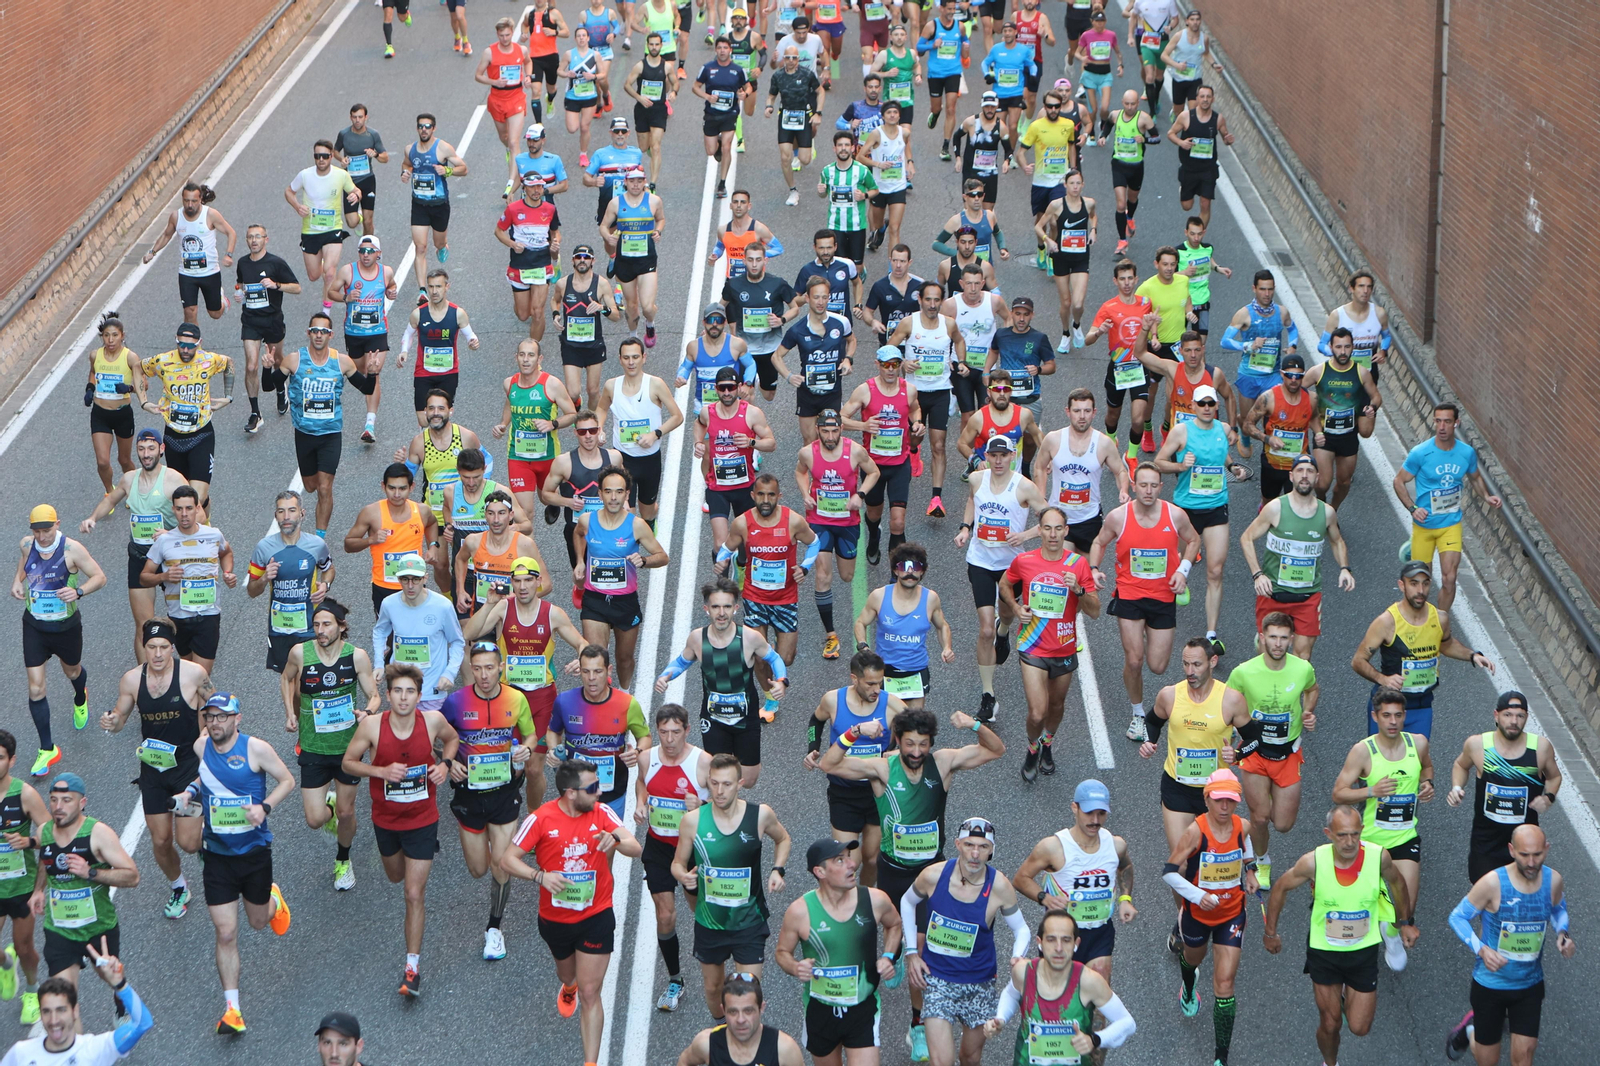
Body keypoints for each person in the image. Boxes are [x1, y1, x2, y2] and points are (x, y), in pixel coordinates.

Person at [173, 693, 294, 1034]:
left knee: (257, 922)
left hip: (254, 853)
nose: (215, 723)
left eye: (222, 717)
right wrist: (189, 794)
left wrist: (264, 808)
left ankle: (274, 901)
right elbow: (204, 779)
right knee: (226, 932)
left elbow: (287, 781)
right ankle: (232, 1009)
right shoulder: (201, 748)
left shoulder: (256, 749)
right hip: (217, 856)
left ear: (237, 719)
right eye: (210, 717)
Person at [501, 759, 640, 1055]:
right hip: (556, 919)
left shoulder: (601, 813)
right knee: (568, 975)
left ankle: (590, 1062)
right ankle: (568, 988)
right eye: (592, 788)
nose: (600, 792)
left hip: (596, 914)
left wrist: (614, 838)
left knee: (591, 993)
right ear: (570, 793)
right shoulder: (541, 819)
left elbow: (635, 848)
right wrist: (540, 876)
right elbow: (507, 860)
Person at [1262, 805, 1419, 1066]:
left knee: (1359, 1027)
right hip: (1325, 952)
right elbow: (1280, 888)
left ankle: (1346, 995)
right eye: (1342, 835)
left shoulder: (1379, 857)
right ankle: (1330, 1063)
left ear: (1362, 832)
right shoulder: (1313, 861)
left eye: (1355, 834)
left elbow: (1398, 883)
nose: (1349, 842)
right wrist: (1271, 932)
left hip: (1363, 951)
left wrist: (1404, 922)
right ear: (1328, 833)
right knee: (1330, 1022)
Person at [338, 669, 451, 987]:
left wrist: (445, 764)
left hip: (423, 818)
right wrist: (381, 771)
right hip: (386, 820)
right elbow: (348, 763)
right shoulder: (372, 725)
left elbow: (452, 740)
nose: (404, 697)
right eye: (398, 691)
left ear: (419, 695)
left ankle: (411, 968)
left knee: (413, 893)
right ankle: (415, 855)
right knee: (395, 875)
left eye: (410, 691)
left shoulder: (431, 722)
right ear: (388, 695)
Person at [670, 753, 792, 1020]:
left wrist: (777, 870)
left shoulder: (760, 816)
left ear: (740, 783)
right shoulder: (692, 821)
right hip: (710, 923)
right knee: (713, 988)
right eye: (714, 784)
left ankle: (743, 1045)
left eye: (727, 784)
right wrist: (683, 876)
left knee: (748, 990)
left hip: (749, 920)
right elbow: (677, 863)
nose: (720, 791)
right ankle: (722, 1030)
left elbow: (783, 839)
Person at [897, 817, 1027, 1066]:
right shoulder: (934, 875)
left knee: (969, 1057)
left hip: (979, 982)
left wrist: (1017, 958)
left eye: (983, 847)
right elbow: (907, 901)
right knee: (942, 1061)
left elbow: (1021, 929)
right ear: (958, 844)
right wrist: (912, 952)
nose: (975, 854)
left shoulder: (999, 886)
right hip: (938, 980)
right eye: (969, 845)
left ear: (992, 851)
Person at [439, 641, 540, 963]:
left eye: (489, 668)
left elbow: (531, 736)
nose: (484, 675)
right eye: (477, 668)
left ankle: (494, 928)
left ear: (501, 668)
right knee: (478, 869)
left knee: (500, 864)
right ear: (471, 668)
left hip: (504, 793)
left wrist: (525, 748)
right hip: (468, 795)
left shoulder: (516, 698)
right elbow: (433, 737)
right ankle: (480, 843)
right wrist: (446, 762)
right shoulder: (455, 702)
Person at [1444, 824, 1574, 1065]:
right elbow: (1457, 917)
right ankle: (1471, 1031)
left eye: (1538, 854)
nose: (1532, 862)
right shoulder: (1492, 883)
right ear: (1512, 850)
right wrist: (1481, 948)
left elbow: (1558, 909)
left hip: (1529, 984)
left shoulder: (1553, 880)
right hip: (1490, 985)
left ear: (1547, 849)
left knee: (1524, 1058)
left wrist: (1562, 933)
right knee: (1487, 1061)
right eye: (1525, 855)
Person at [463, 557, 585, 809]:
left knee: (532, 768)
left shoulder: (553, 614)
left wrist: (581, 660)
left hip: (541, 700)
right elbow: (469, 634)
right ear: (511, 583)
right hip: (508, 697)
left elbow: (582, 643)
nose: (522, 587)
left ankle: (532, 817)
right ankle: (501, 814)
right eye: (517, 581)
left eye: (528, 580)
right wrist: (488, 604)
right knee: (505, 760)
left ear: (538, 581)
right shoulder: (503, 608)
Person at [1088, 464, 1199, 743]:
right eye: (1143, 485)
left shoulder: (1174, 515)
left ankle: (1150, 635)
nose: (1148, 491)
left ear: (1161, 488)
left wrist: (1182, 571)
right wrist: (1093, 569)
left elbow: (1194, 540)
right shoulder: (1119, 517)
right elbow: (1099, 542)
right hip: (1130, 595)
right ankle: (1138, 714)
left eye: (1154, 486)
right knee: (1134, 659)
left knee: (1158, 666)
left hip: (1163, 598)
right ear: (1134, 486)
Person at [1331, 686, 1434, 972]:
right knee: (1363, 902)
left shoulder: (1418, 744)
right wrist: (1371, 791)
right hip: (1372, 839)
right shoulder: (1363, 751)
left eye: (1398, 716)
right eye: (1386, 715)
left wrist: (1428, 785)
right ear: (1375, 717)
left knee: (1407, 906)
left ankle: (1391, 933)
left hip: (1405, 836)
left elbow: (1427, 768)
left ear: (1404, 717)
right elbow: (1338, 793)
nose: (1392, 721)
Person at [775, 838, 903, 1066]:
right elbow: (782, 952)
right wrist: (796, 967)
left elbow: (894, 924)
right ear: (820, 872)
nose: (852, 865)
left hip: (862, 1008)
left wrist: (888, 955)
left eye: (849, 858)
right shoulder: (800, 911)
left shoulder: (875, 900)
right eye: (840, 860)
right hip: (820, 1010)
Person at [281, 601, 380, 891]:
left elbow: (373, 696)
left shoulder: (356, 657)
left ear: (341, 626)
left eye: (326, 624)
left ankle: (343, 860)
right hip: (313, 746)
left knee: (347, 814)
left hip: (348, 747)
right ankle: (330, 804)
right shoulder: (301, 653)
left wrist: (368, 713)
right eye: (316, 625)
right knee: (314, 819)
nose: (321, 631)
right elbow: (286, 679)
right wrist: (290, 712)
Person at [1161, 768, 1257, 1066]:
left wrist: (1250, 869)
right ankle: (1189, 986)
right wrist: (1196, 895)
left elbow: (1246, 844)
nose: (1225, 807)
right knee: (1192, 959)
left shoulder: (1242, 825)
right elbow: (1168, 873)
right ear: (1207, 800)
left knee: (1225, 985)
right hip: (1197, 915)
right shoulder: (1195, 832)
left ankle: (1221, 1057)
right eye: (1219, 801)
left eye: (1230, 800)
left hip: (1232, 914)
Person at [1001, 507, 1101, 780]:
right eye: (1047, 528)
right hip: (1032, 645)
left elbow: (1094, 611)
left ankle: (1047, 745)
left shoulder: (1078, 565)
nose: (1053, 534)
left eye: (1058, 528)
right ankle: (1033, 748)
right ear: (1040, 531)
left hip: (1064, 647)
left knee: (1056, 706)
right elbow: (1004, 584)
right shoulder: (1025, 561)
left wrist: (1078, 590)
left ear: (1066, 531)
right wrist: (1015, 606)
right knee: (1037, 712)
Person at [657, 578, 788, 785]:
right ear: (706, 608)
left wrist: (782, 681)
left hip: (746, 718)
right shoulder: (697, 639)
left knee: (749, 780)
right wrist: (665, 675)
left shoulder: (750, 638)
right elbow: (682, 661)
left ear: (735, 608)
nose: (721, 613)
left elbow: (774, 658)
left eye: (727, 606)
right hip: (714, 718)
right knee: (719, 777)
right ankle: (727, 809)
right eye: (715, 606)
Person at [1222, 613, 1318, 891]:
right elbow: (1226, 705)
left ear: (1292, 640)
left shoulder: (1302, 669)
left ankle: (1260, 847)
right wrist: (1229, 739)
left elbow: (1312, 690)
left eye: (1283, 638)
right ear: (1262, 638)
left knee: (1284, 824)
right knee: (1261, 816)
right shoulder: (1243, 672)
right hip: (1254, 753)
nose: (1277, 644)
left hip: (1288, 754)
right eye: (1272, 637)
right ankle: (1261, 860)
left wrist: (1309, 711)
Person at [956, 434, 1048, 722]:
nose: (997, 461)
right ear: (988, 456)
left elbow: (1051, 518)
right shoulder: (977, 479)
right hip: (980, 561)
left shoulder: (1024, 487)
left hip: (1011, 565)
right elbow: (972, 500)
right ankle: (988, 696)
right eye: (993, 455)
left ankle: (1004, 629)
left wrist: (1025, 535)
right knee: (984, 630)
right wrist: (965, 527)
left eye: (1003, 456)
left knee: (1007, 613)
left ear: (1012, 457)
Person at [1351, 560, 1495, 738]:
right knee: (1381, 763)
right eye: (1414, 584)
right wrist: (1382, 679)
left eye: (1425, 584)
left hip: (1421, 705)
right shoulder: (1387, 622)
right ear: (1401, 585)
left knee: (1417, 762)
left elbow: (1446, 644)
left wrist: (1472, 656)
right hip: (1389, 707)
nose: (1420, 590)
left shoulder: (1440, 618)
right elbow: (1358, 660)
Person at [712, 477, 817, 721]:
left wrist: (805, 567)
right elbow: (728, 546)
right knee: (758, 655)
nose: (766, 500)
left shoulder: (793, 521)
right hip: (754, 597)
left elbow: (814, 543)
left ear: (779, 496)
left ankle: (777, 680)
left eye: (771, 495)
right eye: (761, 495)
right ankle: (770, 697)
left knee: (786, 658)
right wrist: (722, 560)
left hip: (785, 598)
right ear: (753, 495)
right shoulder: (742, 523)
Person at [1011, 779, 1137, 980]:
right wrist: (1044, 898)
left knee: (1098, 999)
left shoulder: (1116, 845)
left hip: (1099, 931)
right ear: (1074, 808)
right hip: (1060, 933)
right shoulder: (1053, 847)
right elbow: (1021, 878)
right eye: (1089, 813)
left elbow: (1125, 867)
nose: (1095, 820)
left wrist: (1125, 900)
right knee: (1059, 1000)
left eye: (1101, 814)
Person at [1139, 637, 1252, 858]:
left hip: (1216, 791)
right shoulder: (1169, 695)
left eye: (1197, 665)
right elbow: (1152, 721)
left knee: (1214, 857)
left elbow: (1254, 739)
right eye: (1185, 664)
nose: (1190, 671)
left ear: (1213, 661)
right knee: (1180, 862)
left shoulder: (1231, 700)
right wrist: (1149, 742)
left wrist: (1237, 754)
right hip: (1177, 787)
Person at [79, 432, 187, 664]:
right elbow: (110, 499)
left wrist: (171, 533)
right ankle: (146, 676)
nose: (145, 454)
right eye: (141, 449)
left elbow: (195, 515)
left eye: (150, 448)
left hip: (171, 558)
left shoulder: (174, 480)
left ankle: (186, 671)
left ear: (161, 449)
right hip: (140, 556)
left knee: (183, 621)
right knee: (144, 625)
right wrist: (93, 518)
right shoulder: (129, 479)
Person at [15, 507, 105, 777]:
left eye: (47, 530)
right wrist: (17, 581)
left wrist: (78, 591)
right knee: (36, 688)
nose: (42, 537)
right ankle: (47, 749)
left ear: (58, 524)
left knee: (72, 670)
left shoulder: (72, 550)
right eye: (37, 531)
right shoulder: (26, 544)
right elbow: (24, 562)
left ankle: (80, 696)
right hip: (34, 625)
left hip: (65, 627)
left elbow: (100, 577)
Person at [1153, 381, 1243, 652]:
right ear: (1192, 406)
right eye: (1201, 404)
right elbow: (1158, 461)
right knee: (1183, 559)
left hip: (1216, 506)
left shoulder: (1223, 429)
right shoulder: (1182, 431)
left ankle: (1211, 633)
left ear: (1217, 407)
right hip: (1187, 508)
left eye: (1211, 404)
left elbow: (1223, 456)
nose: (1206, 408)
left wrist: (1233, 466)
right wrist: (1181, 465)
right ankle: (1181, 571)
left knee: (1216, 570)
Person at [29, 772, 140, 988]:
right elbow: (45, 858)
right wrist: (38, 890)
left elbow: (132, 876)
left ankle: (122, 1006)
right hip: (59, 929)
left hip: (98, 928)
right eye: (53, 799)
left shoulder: (98, 834)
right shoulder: (45, 831)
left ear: (82, 803)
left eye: (66, 800)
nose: (58, 806)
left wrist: (91, 872)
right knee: (63, 996)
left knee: (111, 978)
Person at [983, 908, 1138, 1063]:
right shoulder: (1023, 971)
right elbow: (1011, 993)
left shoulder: (1089, 981)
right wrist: (1000, 1018)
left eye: (1066, 940)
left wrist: (1095, 1039)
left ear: (1076, 944)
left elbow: (1127, 1023)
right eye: (1051, 939)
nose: (1058, 948)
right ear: (1040, 943)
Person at [633, 704, 710, 1012]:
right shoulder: (646, 758)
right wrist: (641, 801)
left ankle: (712, 957)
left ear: (687, 731)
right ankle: (675, 979)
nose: (668, 739)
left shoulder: (702, 763)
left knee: (698, 909)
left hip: (692, 849)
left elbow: (727, 803)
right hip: (659, 846)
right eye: (663, 732)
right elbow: (642, 781)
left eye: (675, 732)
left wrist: (701, 803)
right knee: (665, 915)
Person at [805, 651, 906, 885]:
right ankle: (842, 905)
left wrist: (899, 752)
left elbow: (921, 731)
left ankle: (865, 900)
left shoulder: (891, 704)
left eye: (880, 683)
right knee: (849, 860)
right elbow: (816, 720)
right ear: (854, 679)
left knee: (873, 859)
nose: (876, 689)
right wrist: (812, 748)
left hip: (877, 792)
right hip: (843, 792)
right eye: (870, 683)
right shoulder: (833, 700)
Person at [1238, 456, 1353, 660]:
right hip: (1274, 593)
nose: (1305, 475)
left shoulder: (1327, 513)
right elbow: (1246, 538)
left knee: (1302, 658)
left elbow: (1337, 541)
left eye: (1310, 471)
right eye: (1300, 470)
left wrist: (1345, 568)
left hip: (1307, 597)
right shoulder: (1275, 508)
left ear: (1317, 477)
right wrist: (1258, 575)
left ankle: (1292, 692)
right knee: (1268, 656)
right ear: (1291, 476)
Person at [1395, 401, 1502, 612]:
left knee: (1450, 578)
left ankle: (1441, 622)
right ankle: (1418, 620)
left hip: (1450, 524)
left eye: (1447, 422)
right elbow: (1398, 481)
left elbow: (1475, 477)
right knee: (1419, 584)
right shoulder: (1421, 453)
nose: (1442, 427)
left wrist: (1486, 496)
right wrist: (1412, 508)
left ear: (1456, 423)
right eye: (1438, 421)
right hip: (1424, 526)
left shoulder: (1466, 453)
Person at [1448, 690, 1563, 886]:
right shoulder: (1478, 745)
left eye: (1520, 716)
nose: (1514, 721)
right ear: (1496, 715)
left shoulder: (1540, 748)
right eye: (1507, 715)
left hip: (1524, 844)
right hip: (1486, 842)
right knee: (1487, 898)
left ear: (1526, 718)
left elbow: (1555, 777)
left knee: (1520, 899)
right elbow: (1461, 765)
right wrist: (1457, 787)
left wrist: (1548, 797)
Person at [573, 467, 669, 688]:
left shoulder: (636, 525)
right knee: (595, 658)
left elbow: (663, 557)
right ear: (600, 494)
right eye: (608, 491)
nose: (613, 497)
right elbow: (578, 534)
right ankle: (601, 706)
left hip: (625, 602)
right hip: (595, 599)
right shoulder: (587, 520)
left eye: (619, 492)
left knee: (624, 660)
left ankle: (625, 696)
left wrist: (644, 561)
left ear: (627, 495)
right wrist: (580, 560)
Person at [796, 410, 881, 659]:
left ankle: (874, 531)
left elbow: (874, 472)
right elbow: (800, 472)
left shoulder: (854, 450)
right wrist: (805, 493)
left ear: (841, 429)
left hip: (847, 522)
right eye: (825, 431)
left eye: (834, 431)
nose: (830, 436)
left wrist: (860, 494)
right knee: (822, 576)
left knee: (847, 576)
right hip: (819, 521)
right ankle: (831, 636)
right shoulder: (808, 453)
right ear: (818, 430)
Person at [0, 942, 153, 1065]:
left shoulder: (95, 1049)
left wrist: (120, 984)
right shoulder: (21, 1053)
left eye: (61, 1010)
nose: (54, 1020)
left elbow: (142, 1024)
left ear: (75, 1011)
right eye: (47, 1011)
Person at [396, 389, 487, 590]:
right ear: (425, 412)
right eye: (431, 408)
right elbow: (407, 476)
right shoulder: (419, 442)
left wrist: (476, 491)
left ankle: (472, 599)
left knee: (470, 561)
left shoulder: (465, 437)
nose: (436, 413)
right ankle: (449, 603)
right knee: (439, 563)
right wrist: (401, 465)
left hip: (465, 513)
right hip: (435, 514)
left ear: (450, 411)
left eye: (441, 408)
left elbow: (486, 462)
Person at [138, 323, 234, 508]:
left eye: (190, 346)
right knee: (181, 499)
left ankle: (204, 531)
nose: (185, 349)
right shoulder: (162, 361)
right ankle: (199, 528)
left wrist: (228, 397)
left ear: (199, 343)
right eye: (181, 344)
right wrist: (143, 401)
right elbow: (137, 367)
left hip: (201, 434)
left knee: (196, 499)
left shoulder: (209, 360)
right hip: (173, 436)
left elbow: (229, 363)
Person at [842, 344, 923, 564]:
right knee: (874, 513)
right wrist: (864, 426)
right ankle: (874, 536)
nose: (890, 369)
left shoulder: (909, 389)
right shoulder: (865, 390)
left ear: (900, 366)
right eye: (886, 365)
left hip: (900, 464)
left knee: (898, 523)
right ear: (877, 365)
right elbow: (839, 419)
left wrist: (916, 422)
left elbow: (915, 408)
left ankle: (895, 572)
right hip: (873, 467)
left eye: (895, 365)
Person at [141, 486, 233, 675]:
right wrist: (164, 576)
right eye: (179, 509)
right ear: (173, 509)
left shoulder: (213, 535)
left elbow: (226, 552)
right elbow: (144, 577)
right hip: (178, 618)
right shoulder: (164, 541)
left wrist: (228, 572)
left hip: (208, 615)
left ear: (197, 508)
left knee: (199, 675)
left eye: (189, 508)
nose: (184, 514)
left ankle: (201, 703)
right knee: (185, 675)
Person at [853, 543, 957, 710]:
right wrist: (863, 646)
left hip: (916, 671)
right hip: (885, 670)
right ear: (896, 570)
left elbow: (942, 625)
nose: (910, 572)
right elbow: (860, 622)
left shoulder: (930, 598)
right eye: (905, 566)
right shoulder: (879, 596)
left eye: (916, 567)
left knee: (913, 724)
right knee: (886, 723)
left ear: (922, 571)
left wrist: (946, 647)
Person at [891, 282, 965, 516]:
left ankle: (936, 498)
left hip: (941, 391)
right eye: (928, 300)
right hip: (915, 393)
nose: (932, 305)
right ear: (920, 300)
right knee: (914, 437)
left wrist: (959, 361)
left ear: (941, 301)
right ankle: (913, 452)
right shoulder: (909, 323)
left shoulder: (949, 324)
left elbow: (960, 340)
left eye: (936, 300)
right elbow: (887, 350)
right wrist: (902, 362)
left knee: (939, 445)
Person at [596, 339, 682, 527]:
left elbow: (677, 416)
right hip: (623, 458)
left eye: (635, 357)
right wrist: (599, 428)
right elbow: (601, 408)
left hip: (649, 460)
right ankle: (629, 550)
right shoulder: (612, 386)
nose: (631, 362)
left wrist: (655, 434)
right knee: (627, 513)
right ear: (620, 360)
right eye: (626, 358)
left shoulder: (655, 384)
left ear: (644, 357)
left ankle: (651, 521)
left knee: (647, 511)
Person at [1034, 387, 1129, 554]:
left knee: (1085, 575)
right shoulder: (1053, 439)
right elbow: (1040, 467)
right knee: (1064, 568)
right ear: (1068, 412)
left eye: (1087, 411)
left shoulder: (1104, 443)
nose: (1082, 416)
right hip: (1059, 517)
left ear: (1094, 412)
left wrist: (1124, 490)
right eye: (1077, 411)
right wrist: (1041, 499)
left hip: (1089, 519)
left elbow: (1120, 470)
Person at [248, 489, 334, 674]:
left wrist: (325, 585)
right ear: (275, 516)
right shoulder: (264, 548)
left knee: (307, 682)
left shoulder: (316, 545)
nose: (286, 516)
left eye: (292, 510)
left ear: (302, 514)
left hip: (309, 628)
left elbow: (328, 569)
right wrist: (264, 578)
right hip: (280, 630)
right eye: (281, 511)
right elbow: (251, 591)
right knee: (288, 681)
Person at [495, 338, 578, 523]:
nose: (526, 359)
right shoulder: (510, 384)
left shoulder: (552, 384)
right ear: (516, 357)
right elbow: (510, 404)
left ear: (539, 359)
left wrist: (552, 424)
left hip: (546, 456)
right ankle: (528, 551)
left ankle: (554, 501)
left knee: (545, 496)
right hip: (518, 457)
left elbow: (572, 414)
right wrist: (503, 424)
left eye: (531, 355)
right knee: (525, 514)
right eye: (522, 355)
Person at [371, 553, 466, 712]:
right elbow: (380, 632)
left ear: (425, 578)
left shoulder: (442, 606)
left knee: (428, 735)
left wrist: (449, 673)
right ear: (398, 579)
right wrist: (379, 664)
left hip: (431, 689)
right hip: (400, 689)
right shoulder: (389, 604)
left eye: (415, 579)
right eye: (405, 579)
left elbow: (457, 641)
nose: (410, 585)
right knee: (401, 734)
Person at [343, 463, 439, 619]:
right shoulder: (371, 513)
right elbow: (348, 544)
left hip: (414, 583)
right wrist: (371, 540)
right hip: (384, 586)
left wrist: (433, 546)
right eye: (391, 488)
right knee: (389, 636)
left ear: (412, 487)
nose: (396, 494)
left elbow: (432, 523)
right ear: (383, 486)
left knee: (415, 631)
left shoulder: (421, 511)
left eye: (402, 489)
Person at [325, 235, 397, 443]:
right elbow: (331, 292)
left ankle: (369, 424)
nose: (365, 255)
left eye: (370, 251)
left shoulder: (386, 272)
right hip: (354, 333)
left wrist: (391, 292)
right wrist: (346, 298)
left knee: (373, 371)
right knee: (359, 372)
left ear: (378, 254)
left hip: (377, 332)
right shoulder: (348, 271)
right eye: (362, 251)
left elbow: (391, 285)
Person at [230, 229, 301, 430]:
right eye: (250, 237)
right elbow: (240, 284)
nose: (254, 240)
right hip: (251, 321)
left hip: (272, 320)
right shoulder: (243, 263)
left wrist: (276, 284)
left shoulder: (276, 263)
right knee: (251, 366)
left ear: (266, 240)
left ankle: (281, 389)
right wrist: (240, 295)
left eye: (258, 237)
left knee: (277, 361)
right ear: (247, 240)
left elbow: (297, 287)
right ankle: (255, 413)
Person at [0, 731, 50, 1020]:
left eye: (1, 758)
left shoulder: (25, 794)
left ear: (12, 760)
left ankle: (32, 991)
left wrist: (38, 890)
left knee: (25, 946)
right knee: (11, 953)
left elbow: (50, 836)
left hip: (21, 886)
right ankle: (7, 965)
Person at [773, 276, 857, 444]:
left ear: (829, 298)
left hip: (832, 392)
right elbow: (776, 356)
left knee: (831, 439)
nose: (820, 302)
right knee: (810, 441)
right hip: (807, 394)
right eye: (816, 297)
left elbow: (852, 340)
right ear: (807, 298)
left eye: (824, 297)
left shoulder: (841, 323)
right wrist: (789, 376)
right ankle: (807, 471)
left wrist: (848, 359)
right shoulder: (798, 330)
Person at [1304, 328, 1380, 508]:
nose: (1343, 351)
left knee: (1344, 483)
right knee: (1322, 483)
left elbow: (1376, 396)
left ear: (1353, 347)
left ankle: (1333, 510)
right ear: (1331, 347)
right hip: (1325, 435)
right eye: (1339, 347)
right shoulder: (1318, 371)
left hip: (1348, 435)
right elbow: (1296, 389)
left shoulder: (1361, 372)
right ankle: (1321, 502)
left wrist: (1372, 408)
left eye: (1347, 347)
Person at [142, 182, 236, 324]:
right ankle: (194, 344)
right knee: (189, 311)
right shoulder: (176, 216)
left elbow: (231, 233)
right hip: (187, 273)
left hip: (209, 272)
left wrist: (228, 254)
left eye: (194, 201)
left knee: (215, 313)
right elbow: (166, 235)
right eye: (186, 201)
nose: (190, 205)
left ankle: (222, 300)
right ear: (182, 199)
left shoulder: (210, 215)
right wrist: (152, 252)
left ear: (200, 200)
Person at [400, 114, 468, 301]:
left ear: (433, 128)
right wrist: (405, 173)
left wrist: (447, 170)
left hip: (439, 206)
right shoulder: (410, 149)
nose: (424, 129)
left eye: (428, 126)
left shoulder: (443, 148)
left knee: (437, 243)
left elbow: (463, 168)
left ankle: (442, 246)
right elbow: (407, 164)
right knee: (420, 247)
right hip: (419, 205)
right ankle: (422, 291)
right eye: (421, 126)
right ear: (417, 128)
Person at [398, 270, 481, 421]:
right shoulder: (418, 314)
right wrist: (404, 351)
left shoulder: (458, 313)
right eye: (430, 287)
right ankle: (426, 439)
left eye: (438, 286)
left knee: (442, 416)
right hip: (424, 372)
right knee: (423, 419)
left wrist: (473, 342)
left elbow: (470, 335)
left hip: (448, 373)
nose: (434, 291)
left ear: (447, 287)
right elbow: (408, 333)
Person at [285, 141, 361, 306]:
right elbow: (289, 191)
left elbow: (356, 190)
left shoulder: (341, 175)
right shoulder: (305, 175)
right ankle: (321, 260)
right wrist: (297, 206)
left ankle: (325, 314)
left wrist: (356, 196)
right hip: (310, 230)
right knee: (313, 276)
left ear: (332, 156)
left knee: (329, 274)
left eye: (325, 156)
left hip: (333, 228)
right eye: (317, 156)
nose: (321, 160)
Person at [1219, 269, 1297, 422]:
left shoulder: (1282, 312)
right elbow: (1225, 341)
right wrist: (1248, 345)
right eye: (1262, 289)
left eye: (1270, 289)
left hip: (1273, 375)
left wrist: (1293, 346)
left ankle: (1266, 446)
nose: (1267, 294)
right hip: (1249, 375)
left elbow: (1292, 329)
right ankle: (1245, 442)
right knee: (1248, 421)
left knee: (1274, 422)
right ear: (1254, 288)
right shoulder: (1244, 314)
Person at [673, 976, 806, 1066]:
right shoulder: (707, 1043)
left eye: (748, 1011)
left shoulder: (784, 1049)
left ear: (761, 1008)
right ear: (723, 1010)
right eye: (733, 1011)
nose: (740, 1019)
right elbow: (684, 1061)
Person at [723, 243, 798, 399]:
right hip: (745, 348)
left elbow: (795, 308)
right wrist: (712, 325)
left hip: (769, 349)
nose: (754, 264)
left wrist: (781, 320)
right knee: (745, 394)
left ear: (765, 260)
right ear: (744, 261)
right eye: (750, 260)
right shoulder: (734, 284)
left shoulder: (777, 283)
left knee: (769, 395)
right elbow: (720, 305)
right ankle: (748, 411)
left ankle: (757, 381)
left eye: (758, 260)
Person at [453, 491, 545, 617]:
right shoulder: (473, 541)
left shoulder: (524, 544)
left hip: (513, 617)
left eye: (501, 513)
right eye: (491, 513)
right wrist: (460, 590)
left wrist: (517, 596)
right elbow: (460, 559)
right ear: (485, 515)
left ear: (511, 515)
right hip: (482, 616)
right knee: (469, 635)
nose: (496, 520)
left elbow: (546, 584)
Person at [599, 169, 665, 344]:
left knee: (648, 306)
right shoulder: (615, 203)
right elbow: (604, 226)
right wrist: (608, 237)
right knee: (632, 306)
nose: (636, 184)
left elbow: (661, 219)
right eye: (632, 181)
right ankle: (634, 338)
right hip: (625, 261)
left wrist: (658, 231)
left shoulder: (653, 201)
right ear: (625, 183)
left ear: (644, 182)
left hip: (647, 260)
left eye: (639, 181)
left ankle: (650, 323)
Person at [1239, 354, 1316, 502]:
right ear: (1282, 374)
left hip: (1299, 464)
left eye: (1298, 376)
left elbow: (1314, 418)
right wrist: (1267, 438)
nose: (1293, 380)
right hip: (1272, 463)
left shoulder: (1312, 398)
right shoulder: (1268, 398)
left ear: (1303, 376)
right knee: (1269, 502)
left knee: (1296, 504)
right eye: (1289, 375)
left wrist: (1318, 432)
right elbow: (1247, 425)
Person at [83, 313, 146, 491]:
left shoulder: (130, 358)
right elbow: (94, 372)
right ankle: (110, 493)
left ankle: (134, 491)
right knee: (103, 462)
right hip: (100, 414)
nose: (110, 340)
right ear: (102, 336)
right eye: (106, 335)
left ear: (122, 336)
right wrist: (90, 388)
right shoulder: (95, 355)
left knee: (124, 460)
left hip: (122, 414)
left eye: (115, 335)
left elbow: (144, 384)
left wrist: (128, 389)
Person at [553, 247, 621, 410]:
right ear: (573, 261)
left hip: (593, 345)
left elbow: (616, 316)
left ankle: (591, 423)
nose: (582, 260)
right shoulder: (563, 283)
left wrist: (601, 308)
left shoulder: (602, 284)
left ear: (593, 261)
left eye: (586, 257)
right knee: (573, 392)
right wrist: (555, 314)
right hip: (571, 345)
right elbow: (554, 300)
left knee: (593, 390)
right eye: (578, 257)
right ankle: (576, 403)